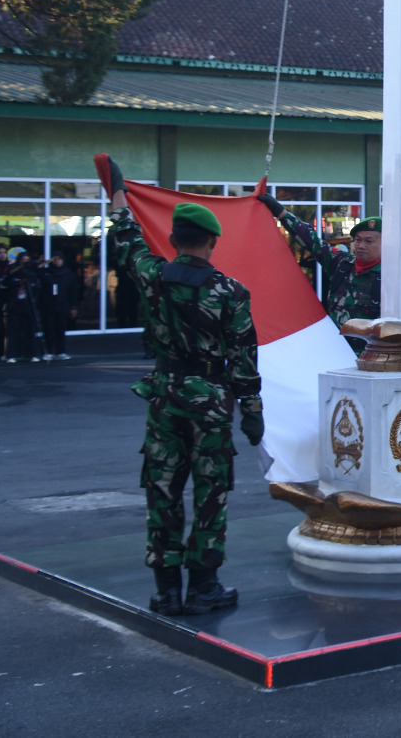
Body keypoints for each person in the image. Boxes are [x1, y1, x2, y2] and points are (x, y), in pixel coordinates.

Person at [102, 158, 261, 615]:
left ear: (173, 240)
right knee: (211, 494)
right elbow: (243, 357)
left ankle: (165, 589)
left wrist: (118, 197)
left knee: (163, 490)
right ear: (213, 242)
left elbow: (126, 237)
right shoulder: (231, 291)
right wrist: (252, 409)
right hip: (211, 403)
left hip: (165, 396)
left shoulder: (152, 275)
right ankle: (204, 586)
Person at [260, 196, 381, 353]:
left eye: (369, 241)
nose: (361, 245)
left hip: (369, 356)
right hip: (334, 351)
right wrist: (279, 211)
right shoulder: (341, 264)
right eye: (358, 240)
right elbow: (311, 241)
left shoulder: (388, 277)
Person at [1, 249, 43, 362]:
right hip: (15, 305)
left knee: (30, 330)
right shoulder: (14, 272)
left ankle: (31, 353)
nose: (25, 263)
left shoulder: (32, 274)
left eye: (26, 261)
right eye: (23, 261)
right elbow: (8, 282)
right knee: (13, 331)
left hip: (28, 305)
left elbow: (37, 288)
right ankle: (12, 354)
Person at [39, 254, 78, 360]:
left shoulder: (68, 274)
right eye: (55, 260)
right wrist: (46, 262)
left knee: (60, 329)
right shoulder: (47, 273)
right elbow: (37, 270)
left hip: (63, 304)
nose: (57, 262)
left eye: (59, 259)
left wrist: (73, 306)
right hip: (49, 305)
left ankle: (61, 351)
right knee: (49, 329)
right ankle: (49, 351)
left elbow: (73, 291)